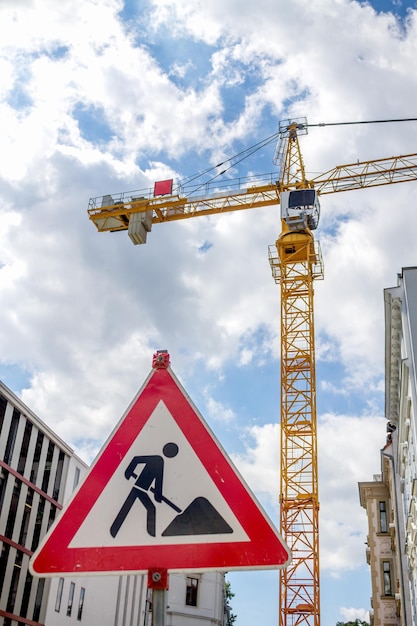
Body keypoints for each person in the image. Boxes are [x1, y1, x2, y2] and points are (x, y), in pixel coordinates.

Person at [110, 442, 179, 538]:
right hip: (138, 488)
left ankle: (114, 530)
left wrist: (157, 495)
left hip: (142, 490)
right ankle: (151, 534)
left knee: (131, 508)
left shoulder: (159, 461)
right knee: (145, 508)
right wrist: (129, 471)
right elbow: (136, 459)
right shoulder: (157, 459)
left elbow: (158, 480)